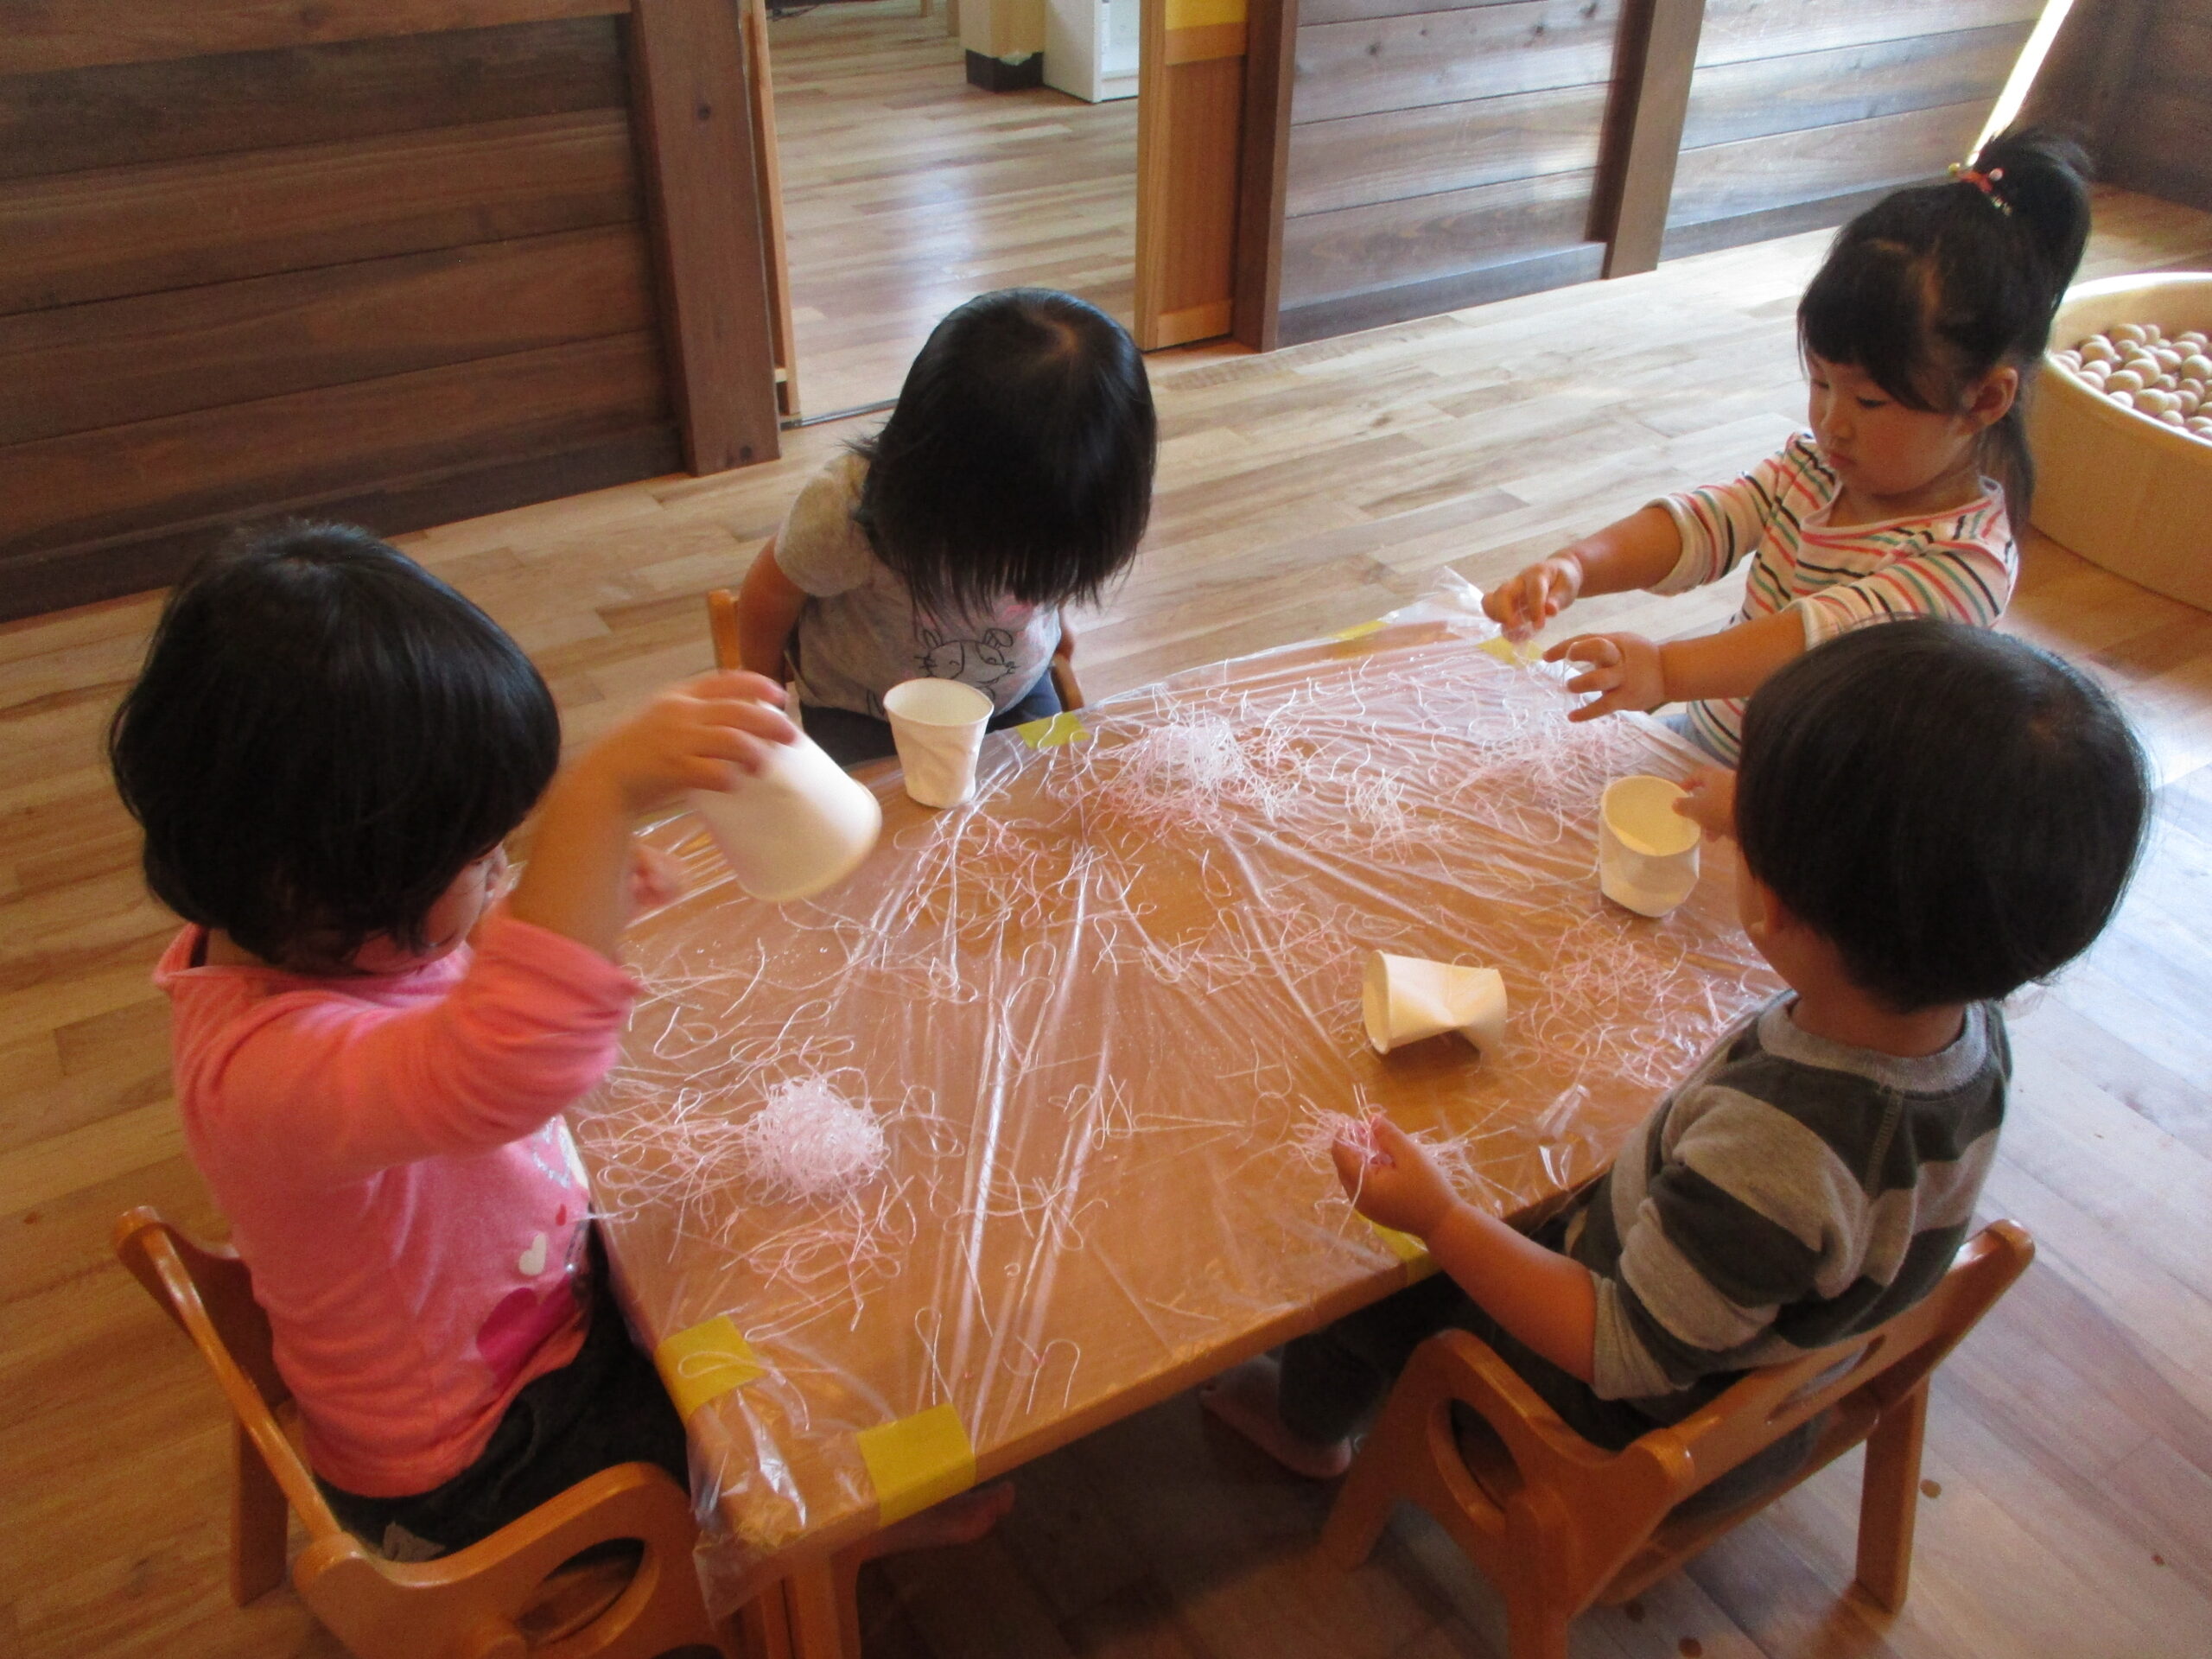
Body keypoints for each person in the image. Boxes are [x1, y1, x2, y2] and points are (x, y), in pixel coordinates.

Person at [111, 524, 1010, 1560]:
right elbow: (505, 1070)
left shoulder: (324, 940)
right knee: (775, 1452)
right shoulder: (259, 1077)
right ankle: (842, 1539)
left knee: (770, 1284)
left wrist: (551, 902)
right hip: (482, 1444)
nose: (502, 870)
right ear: (324, 887)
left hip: (542, 1303)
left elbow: (437, 989)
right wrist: (600, 797)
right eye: (477, 859)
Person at [1202, 620, 2150, 1496]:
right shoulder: (1965, 1020)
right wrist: (1778, 828)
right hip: (1772, 1367)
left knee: (1370, 1286)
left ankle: (1308, 1433)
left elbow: (1617, 1346)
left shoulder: (1774, 1152)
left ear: (1776, 904)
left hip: (1622, 1409)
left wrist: (1441, 1222)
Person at [1483, 126, 2093, 764]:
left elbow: (1822, 642)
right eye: (1821, 382)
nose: (1832, 422)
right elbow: (1705, 525)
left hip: (1810, 805)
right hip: (1712, 745)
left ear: (1984, 400)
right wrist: (1579, 567)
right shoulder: (1818, 467)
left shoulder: (1964, 565)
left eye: (1869, 401)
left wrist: (1665, 670)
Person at [735, 288, 1156, 764]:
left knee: (1056, 789)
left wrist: (1059, 621)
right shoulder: (850, 512)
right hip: (868, 712)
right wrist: (762, 697)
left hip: (1014, 696)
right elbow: (770, 593)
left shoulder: (1067, 507)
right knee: (876, 811)